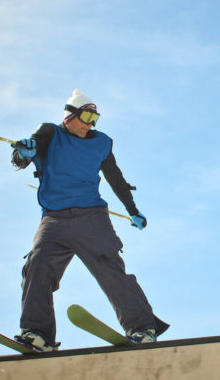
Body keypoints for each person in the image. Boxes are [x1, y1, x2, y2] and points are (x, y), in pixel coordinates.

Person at [9, 89, 169, 352]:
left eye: (95, 118)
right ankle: (38, 334)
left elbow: (115, 177)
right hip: (53, 219)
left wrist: (132, 209)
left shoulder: (102, 142)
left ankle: (142, 328)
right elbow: (24, 154)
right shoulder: (50, 134)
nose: (90, 123)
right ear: (70, 116)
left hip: (91, 218)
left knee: (110, 268)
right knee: (37, 265)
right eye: (85, 115)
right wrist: (22, 153)